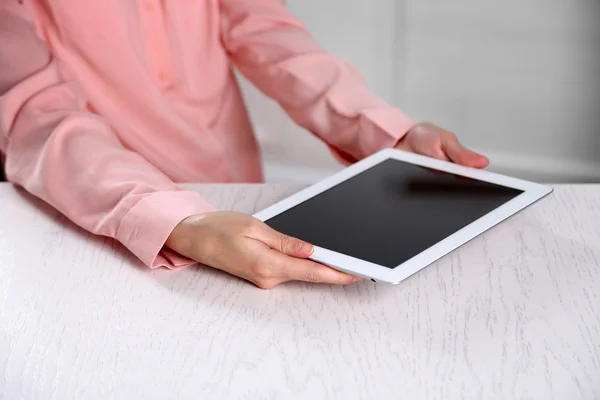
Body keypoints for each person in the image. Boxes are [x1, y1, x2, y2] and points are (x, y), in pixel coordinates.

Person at [0, 0, 488, 289]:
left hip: (242, 191)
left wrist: (387, 132)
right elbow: (35, 115)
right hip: (116, 229)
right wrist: (174, 221)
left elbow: (269, 37)